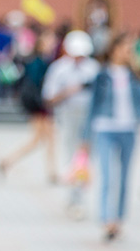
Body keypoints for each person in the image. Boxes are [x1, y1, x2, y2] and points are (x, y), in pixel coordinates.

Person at [80, 33, 140, 242]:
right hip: (105, 127)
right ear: (114, 49)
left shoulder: (136, 75)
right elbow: (92, 106)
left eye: (130, 50)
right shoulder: (102, 75)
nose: (127, 53)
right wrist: (85, 137)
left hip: (128, 129)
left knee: (125, 177)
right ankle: (106, 218)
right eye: (124, 48)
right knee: (108, 175)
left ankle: (118, 218)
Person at [42, 29, 100, 197]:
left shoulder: (93, 69)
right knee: (70, 153)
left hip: (89, 115)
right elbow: (49, 97)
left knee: (86, 155)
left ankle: (80, 192)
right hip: (67, 114)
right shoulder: (59, 69)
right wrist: (69, 91)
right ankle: (73, 196)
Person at [0, 29, 58, 183]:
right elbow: (38, 85)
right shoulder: (38, 62)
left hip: (38, 103)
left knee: (43, 139)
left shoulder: (37, 60)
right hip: (39, 104)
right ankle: (50, 171)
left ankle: (8, 161)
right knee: (43, 139)